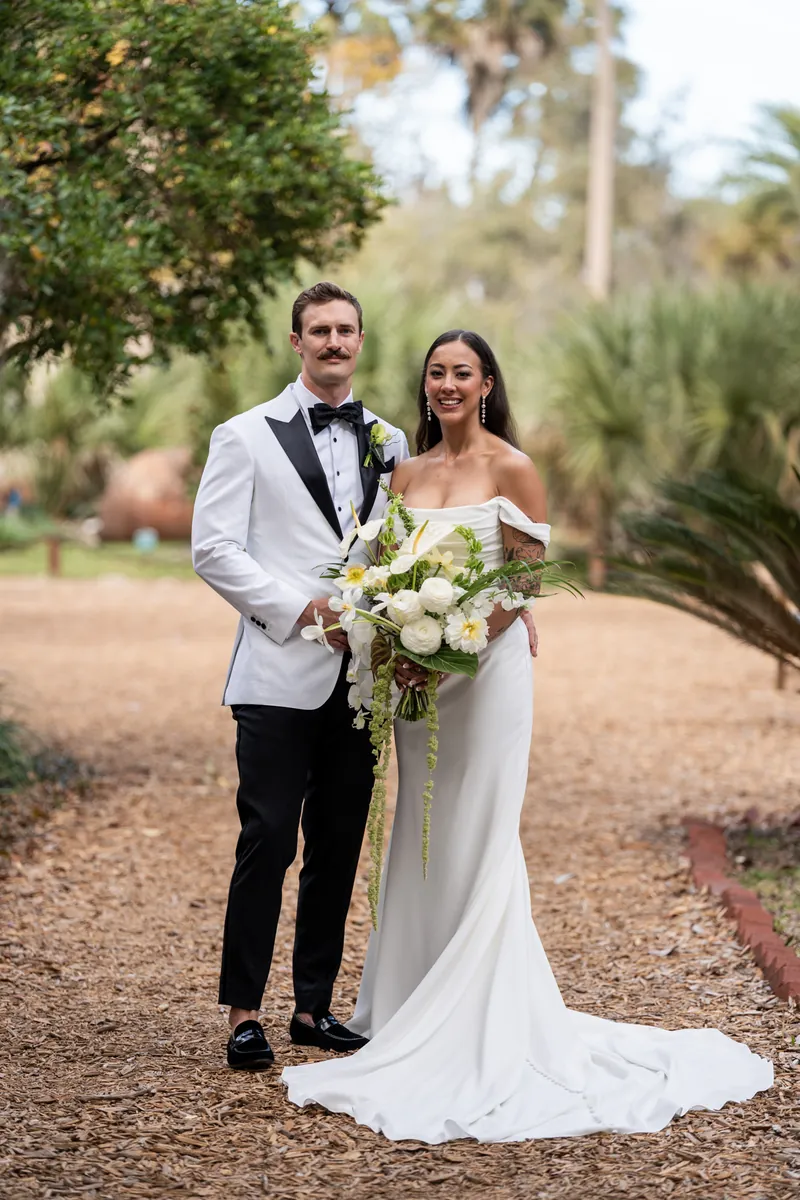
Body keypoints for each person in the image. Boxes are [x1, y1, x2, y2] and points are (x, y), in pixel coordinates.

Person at [282, 329, 773, 1142]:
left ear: (486, 384)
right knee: (424, 826)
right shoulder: (405, 472)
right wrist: (397, 644)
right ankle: (407, 1006)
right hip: (418, 681)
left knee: (479, 828)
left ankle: (481, 1013)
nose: (446, 385)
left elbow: (521, 580)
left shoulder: (514, 468)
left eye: (461, 374)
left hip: (487, 674)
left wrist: (455, 648)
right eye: (436, 373)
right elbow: (380, 570)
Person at [191, 282, 410, 1069]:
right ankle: (243, 1013)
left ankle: (312, 1008)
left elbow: (404, 553)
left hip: (360, 682)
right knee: (269, 839)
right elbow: (214, 549)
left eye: (346, 330)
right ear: (296, 343)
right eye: (319, 330)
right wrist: (300, 610)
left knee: (339, 845)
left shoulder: (391, 441)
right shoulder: (243, 436)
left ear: (360, 340)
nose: (333, 342)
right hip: (278, 673)